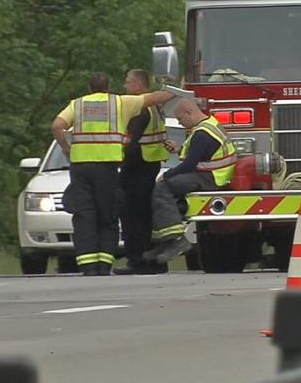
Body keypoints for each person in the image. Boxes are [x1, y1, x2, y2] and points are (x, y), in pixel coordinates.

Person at [51, 72, 176, 276]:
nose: (125, 86)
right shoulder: (119, 102)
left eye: (128, 82)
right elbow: (157, 97)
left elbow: (57, 126)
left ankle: (89, 265)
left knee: (86, 214)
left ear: (89, 88)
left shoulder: (77, 104)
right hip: (109, 166)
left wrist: (66, 148)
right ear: (108, 87)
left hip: (82, 166)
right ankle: (104, 265)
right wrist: (179, 89)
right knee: (108, 213)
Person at [144, 98, 236, 264]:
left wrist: (166, 175)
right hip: (213, 175)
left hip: (210, 178)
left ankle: (175, 241)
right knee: (168, 196)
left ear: (189, 113)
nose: (180, 123)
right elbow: (202, 155)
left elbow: (189, 165)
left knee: (162, 188)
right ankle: (166, 242)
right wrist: (179, 149)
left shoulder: (202, 134)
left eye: (180, 119)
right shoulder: (209, 125)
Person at [113, 69, 170, 275]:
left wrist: (118, 158)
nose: (125, 86)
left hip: (137, 166)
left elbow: (130, 142)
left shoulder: (140, 109)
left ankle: (136, 260)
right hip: (151, 163)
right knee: (146, 215)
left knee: (132, 215)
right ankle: (154, 261)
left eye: (128, 82)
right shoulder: (156, 107)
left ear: (138, 85)